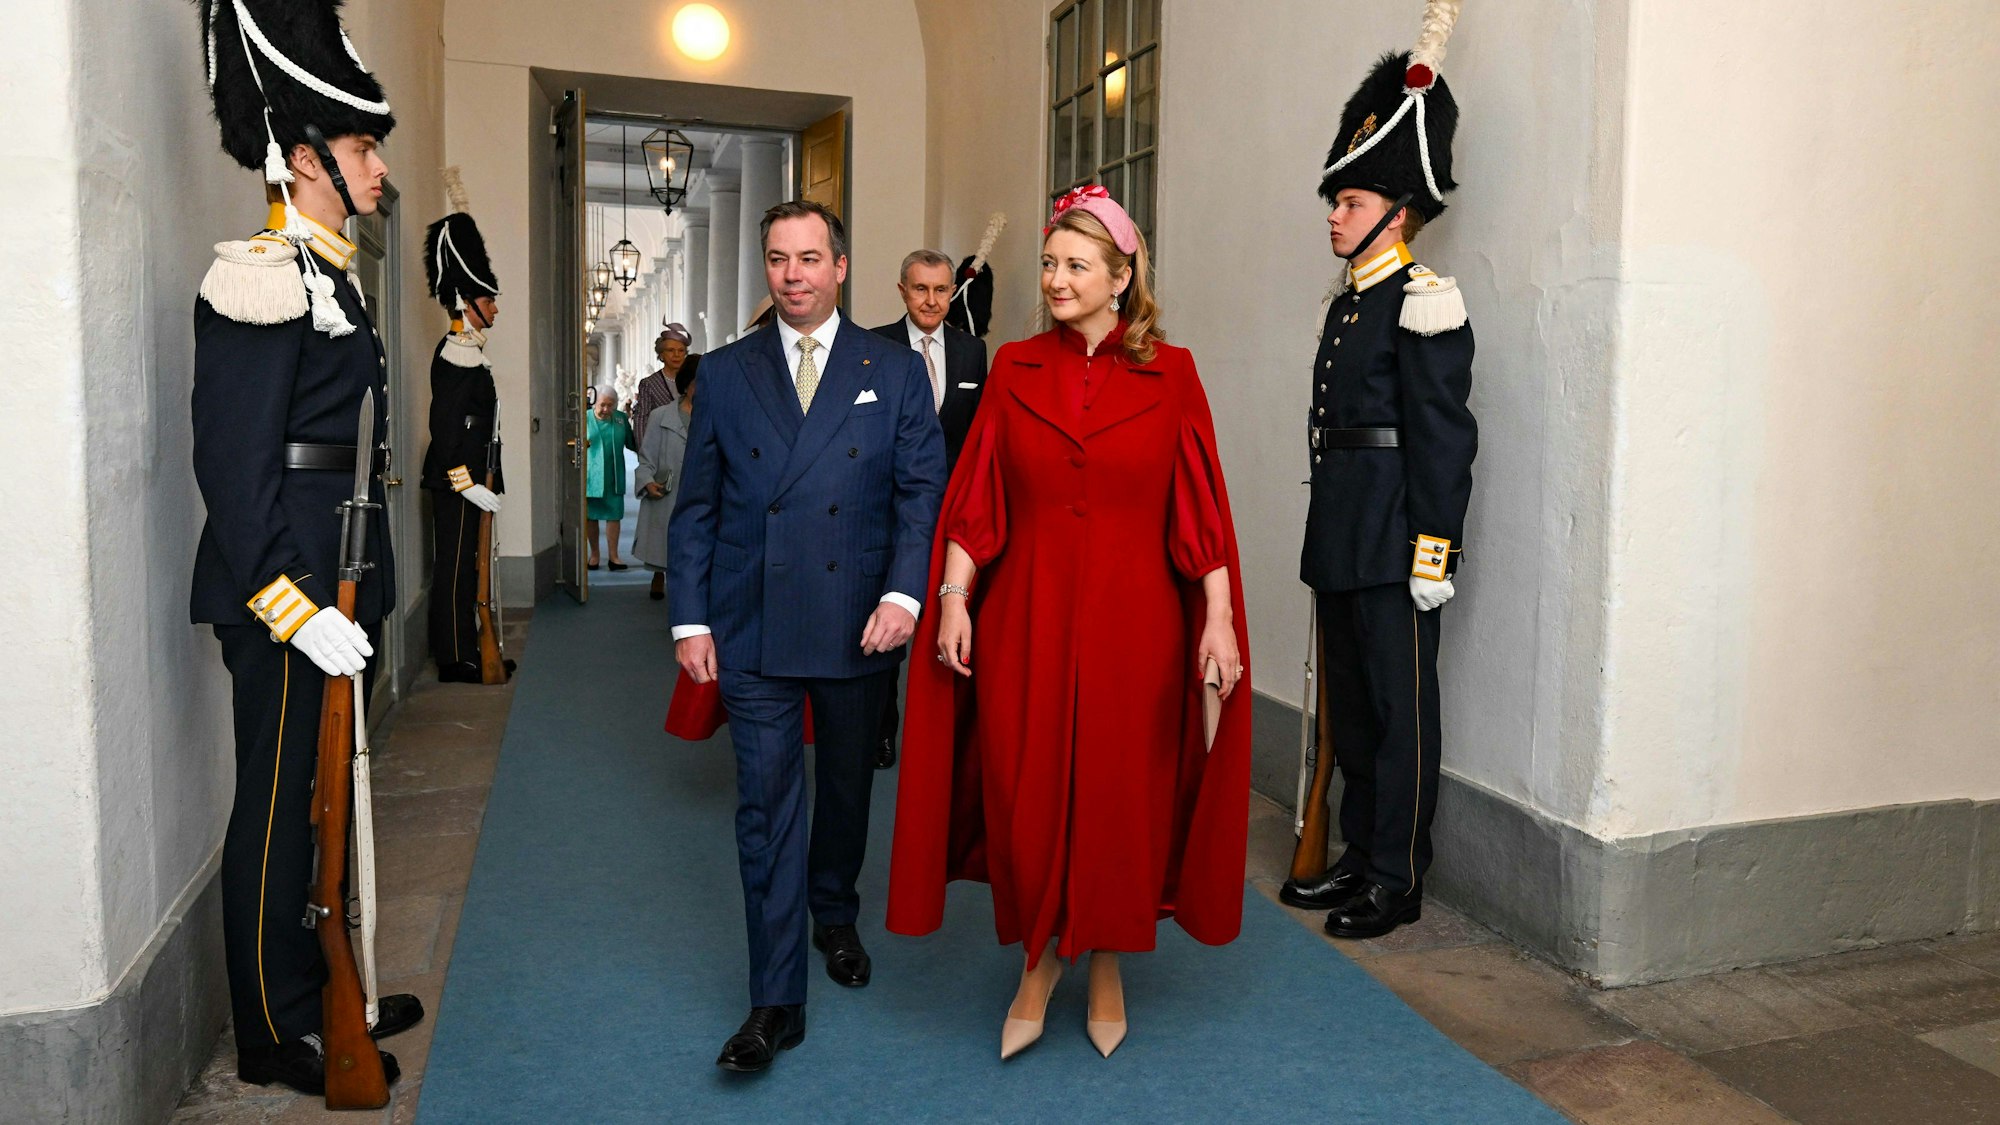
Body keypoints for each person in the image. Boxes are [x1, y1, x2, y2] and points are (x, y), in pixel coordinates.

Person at [886, 187, 1252, 1061]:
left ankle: (1109, 960)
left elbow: (1199, 505)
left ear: (1121, 278)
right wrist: (954, 596)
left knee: (1122, 798)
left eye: (1076, 265)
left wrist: (1219, 617)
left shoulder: (1174, 373)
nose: (1054, 279)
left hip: (1138, 627)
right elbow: (978, 494)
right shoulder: (1014, 368)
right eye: (1049, 263)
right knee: (1029, 790)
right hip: (1028, 619)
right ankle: (1040, 960)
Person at [188, 0, 419, 1094]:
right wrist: (292, 605)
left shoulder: (331, 275)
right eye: (364, 150)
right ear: (306, 157)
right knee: (279, 810)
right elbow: (237, 471)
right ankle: (273, 1028)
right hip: (289, 594)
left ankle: (330, 981)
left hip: (338, 585)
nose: (378, 169)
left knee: (325, 802)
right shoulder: (265, 273)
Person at [668, 200, 946, 1073]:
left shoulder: (892, 369)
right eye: (779, 259)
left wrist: (904, 593)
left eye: (810, 258)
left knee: (847, 789)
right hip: (752, 623)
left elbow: (920, 493)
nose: (794, 274)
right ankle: (775, 998)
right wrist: (690, 617)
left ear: (841, 267)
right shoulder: (726, 371)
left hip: (860, 621)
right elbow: (698, 505)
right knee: (765, 807)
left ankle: (835, 911)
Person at [1276, 6, 1479, 943]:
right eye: (1336, 201)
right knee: (1354, 715)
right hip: (1343, 536)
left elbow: (1443, 436)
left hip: (1397, 539)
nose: (1334, 214)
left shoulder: (1425, 301)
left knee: (1402, 715)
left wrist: (1435, 546)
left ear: (1397, 215)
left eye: (1350, 203)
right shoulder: (1348, 304)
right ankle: (1359, 855)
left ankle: (1398, 875)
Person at [867, 249, 991, 769]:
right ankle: (881, 729)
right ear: (903, 290)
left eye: (941, 290)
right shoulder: (873, 346)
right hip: (888, 510)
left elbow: (980, 434)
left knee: (951, 616)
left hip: (954, 513)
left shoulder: (972, 352)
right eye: (921, 289)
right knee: (886, 622)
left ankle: (944, 736)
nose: (932, 300)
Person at [420, 168, 511, 683]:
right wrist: (465, 482)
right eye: (488, 299)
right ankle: (455, 658)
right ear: (466, 302)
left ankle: (470, 648)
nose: (494, 307)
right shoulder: (458, 350)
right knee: (455, 568)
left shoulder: (471, 350)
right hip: (459, 481)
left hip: (475, 477)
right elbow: (447, 426)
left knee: (471, 564)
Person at [634, 363, 696, 599]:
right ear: (686, 386)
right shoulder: (660, 416)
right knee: (666, 547)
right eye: (698, 383)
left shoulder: (716, 415)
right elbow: (647, 458)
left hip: (701, 493)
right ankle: (659, 575)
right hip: (668, 492)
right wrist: (647, 481)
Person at [628, 323, 699, 453]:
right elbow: (641, 420)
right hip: (663, 450)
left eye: (681, 350)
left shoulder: (695, 380)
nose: (676, 355)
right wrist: (645, 453)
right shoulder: (649, 384)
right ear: (661, 355)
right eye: (671, 350)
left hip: (693, 447)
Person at [584, 386, 631, 571]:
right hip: (592, 476)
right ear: (595, 402)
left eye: (610, 405)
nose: (606, 409)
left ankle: (614, 556)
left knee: (614, 515)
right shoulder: (585, 418)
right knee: (591, 516)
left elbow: (633, 442)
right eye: (602, 405)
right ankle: (594, 555)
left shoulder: (620, 419)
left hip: (614, 475)